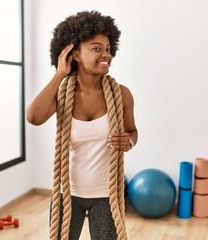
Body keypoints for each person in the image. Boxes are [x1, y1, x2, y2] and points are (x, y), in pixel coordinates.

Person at [26, 10, 138, 240]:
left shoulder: (122, 94)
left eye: (107, 48)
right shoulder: (62, 94)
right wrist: (60, 74)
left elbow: (132, 132)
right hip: (67, 194)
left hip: (107, 195)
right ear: (75, 54)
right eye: (96, 48)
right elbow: (34, 118)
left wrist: (129, 141)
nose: (105, 54)